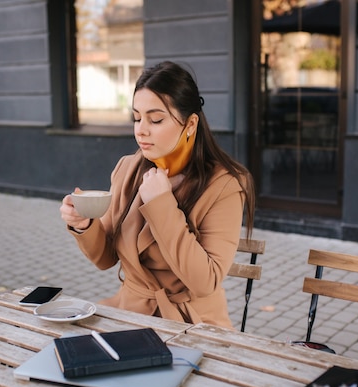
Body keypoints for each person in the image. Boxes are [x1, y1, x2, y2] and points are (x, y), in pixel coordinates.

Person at [60, 61, 255, 328]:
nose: (141, 130)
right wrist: (84, 223)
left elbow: (206, 281)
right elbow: (105, 258)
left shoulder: (224, 185)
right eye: (137, 118)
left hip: (193, 323)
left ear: (190, 123)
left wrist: (161, 204)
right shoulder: (127, 169)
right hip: (130, 314)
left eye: (156, 119)